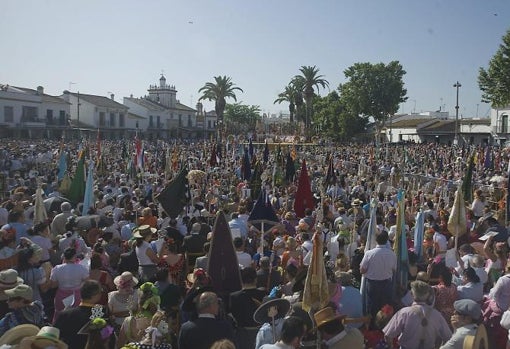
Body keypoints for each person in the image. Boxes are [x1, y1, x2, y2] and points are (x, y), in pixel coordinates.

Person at [383, 280, 452, 349]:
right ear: (427, 296)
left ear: (412, 294)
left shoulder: (404, 313)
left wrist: (390, 346)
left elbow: (388, 335)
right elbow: (448, 337)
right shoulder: (437, 315)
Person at [54, 280, 109, 349]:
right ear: (96, 295)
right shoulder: (102, 312)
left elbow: (54, 337)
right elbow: (107, 336)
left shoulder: (65, 314)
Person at [359, 231, 396, 319]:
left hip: (373, 284)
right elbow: (394, 269)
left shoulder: (369, 253)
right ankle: (383, 325)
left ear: (376, 240)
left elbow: (362, 270)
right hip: (386, 284)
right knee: (385, 307)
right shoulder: (392, 254)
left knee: (372, 307)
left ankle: (372, 327)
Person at [228, 267, 266, 349]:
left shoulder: (234, 296)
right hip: (261, 332)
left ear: (241, 280)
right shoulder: (263, 293)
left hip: (242, 334)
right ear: (255, 279)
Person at [49, 247, 89, 322]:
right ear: (74, 257)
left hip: (61, 295)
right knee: (75, 317)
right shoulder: (81, 268)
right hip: (76, 295)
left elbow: (53, 285)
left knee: (60, 317)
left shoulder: (57, 268)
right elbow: (87, 281)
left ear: (64, 256)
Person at [116, 282, 161, 348]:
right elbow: (168, 343)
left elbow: (120, 345)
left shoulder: (128, 321)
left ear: (139, 302)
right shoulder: (160, 321)